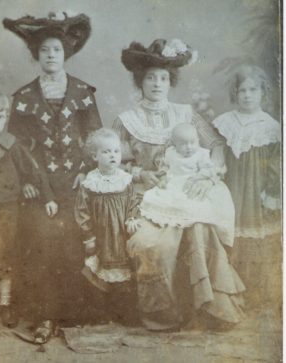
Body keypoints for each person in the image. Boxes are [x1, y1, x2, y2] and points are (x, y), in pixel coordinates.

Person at [113, 38, 244, 331]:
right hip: (146, 195)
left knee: (201, 229)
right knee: (152, 244)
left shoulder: (186, 114)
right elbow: (114, 163)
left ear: (170, 82)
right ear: (140, 81)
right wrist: (140, 175)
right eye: (150, 78)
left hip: (187, 189)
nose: (157, 84)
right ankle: (163, 315)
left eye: (163, 78)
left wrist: (207, 175)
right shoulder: (127, 120)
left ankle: (212, 308)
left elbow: (216, 145)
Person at [3, 11, 102, 342]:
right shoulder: (23, 99)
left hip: (76, 182)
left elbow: (96, 139)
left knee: (76, 242)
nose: (50, 55)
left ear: (66, 53)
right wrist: (28, 182)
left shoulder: (83, 93)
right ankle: (44, 315)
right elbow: (15, 147)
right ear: (36, 54)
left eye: (56, 50)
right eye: (44, 50)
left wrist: (87, 172)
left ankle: (73, 313)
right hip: (38, 187)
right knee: (42, 243)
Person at [0, 89, 54, 331]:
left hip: (7, 212)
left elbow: (33, 171)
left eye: (0, 117)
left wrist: (46, 196)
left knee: (7, 257)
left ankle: (6, 305)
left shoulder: (11, 144)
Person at [212, 65, 281, 306]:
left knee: (254, 236)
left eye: (253, 90)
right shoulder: (224, 123)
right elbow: (216, 156)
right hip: (230, 188)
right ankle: (228, 292)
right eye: (242, 90)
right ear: (235, 93)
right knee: (228, 233)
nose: (247, 95)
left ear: (263, 92)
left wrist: (271, 193)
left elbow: (276, 165)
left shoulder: (271, 127)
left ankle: (254, 295)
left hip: (255, 191)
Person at [75, 128, 140, 323]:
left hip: (121, 234)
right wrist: (89, 236)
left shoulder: (125, 180)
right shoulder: (90, 183)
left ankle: (124, 313)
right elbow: (81, 211)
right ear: (94, 156)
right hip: (101, 235)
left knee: (124, 272)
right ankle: (101, 313)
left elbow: (133, 202)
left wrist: (132, 218)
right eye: (106, 152)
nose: (112, 156)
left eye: (116, 151)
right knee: (99, 271)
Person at [140, 123, 235, 247]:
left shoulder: (201, 154)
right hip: (174, 184)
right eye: (183, 144)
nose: (189, 147)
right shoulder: (170, 153)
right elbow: (165, 168)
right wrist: (163, 178)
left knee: (195, 203)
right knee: (164, 201)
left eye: (192, 142)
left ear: (198, 140)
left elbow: (208, 170)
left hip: (193, 183)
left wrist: (200, 177)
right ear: (175, 144)